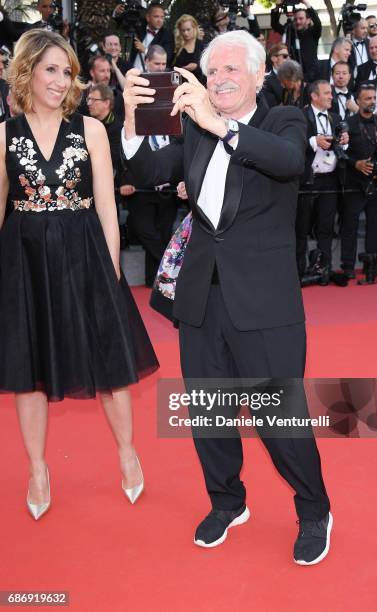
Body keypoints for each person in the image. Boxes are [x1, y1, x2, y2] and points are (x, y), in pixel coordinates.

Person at [122, 30, 331, 565]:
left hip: (264, 302)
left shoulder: (283, 120)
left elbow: (287, 162)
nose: (220, 80)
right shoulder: (192, 128)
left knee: (276, 418)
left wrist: (222, 127)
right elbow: (148, 172)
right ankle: (227, 502)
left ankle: (314, 510)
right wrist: (130, 121)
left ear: (260, 75)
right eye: (213, 72)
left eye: (233, 70)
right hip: (201, 298)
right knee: (209, 413)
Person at [0, 29, 159, 521]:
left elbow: (109, 208)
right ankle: (38, 468)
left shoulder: (90, 129)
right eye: (50, 69)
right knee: (29, 371)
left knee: (110, 363)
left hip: (85, 253)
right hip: (25, 260)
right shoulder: (4, 134)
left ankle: (128, 453)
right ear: (26, 71)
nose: (60, 80)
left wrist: (111, 269)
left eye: (66, 71)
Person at [125, 44, 179, 287]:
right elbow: (124, 140)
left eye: (163, 63)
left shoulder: (172, 93)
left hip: (168, 185)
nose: (161, 68)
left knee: (164, 232)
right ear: (146, 63)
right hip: (141, 184)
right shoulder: (134, 94)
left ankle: (153, 280)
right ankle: (172, 269)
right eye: (156, 64)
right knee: (147, 232)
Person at [340, 83, 377, 277]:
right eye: (367, 98)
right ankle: (347, 266)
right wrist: (356, 164)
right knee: (350, 225)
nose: (372, 102)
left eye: (374, 98)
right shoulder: (348, 123)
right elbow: (341, 153)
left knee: (376, 225)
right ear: (358, 101)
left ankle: (372, 263)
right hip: (355, 183)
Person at [297, 80, 348, 281]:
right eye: (326, 93)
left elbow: (341, 147)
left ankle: (324, 269)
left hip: (331, 180)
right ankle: (298, 272)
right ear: (314, 96)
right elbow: (291, 141)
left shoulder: (336, 117)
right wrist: (313, 141)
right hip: (308, 180)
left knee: (326, 227)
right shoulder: (301, 116)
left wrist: (344, 142)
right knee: (301, 228)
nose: (331, 96)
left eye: (331, 93)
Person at [271, 0, 322, 83]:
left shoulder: (313, 33)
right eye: (295, 19)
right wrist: (277, 7)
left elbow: (318, 23)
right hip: (292, 77)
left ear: (308, 20)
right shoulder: (289, 31)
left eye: (301, 19)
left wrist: (306, 3)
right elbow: (275, 25)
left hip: (311, 78)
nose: (298, 21)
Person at [173, 15, 205, 81]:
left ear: (194, 28)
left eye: (188, 29)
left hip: (200, 83)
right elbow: (171, 66)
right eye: (183, 30)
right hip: (181, 83)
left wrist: (196, 67)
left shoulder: (201, 44)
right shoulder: (176, 45)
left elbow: (209, 65)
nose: (186, 33)